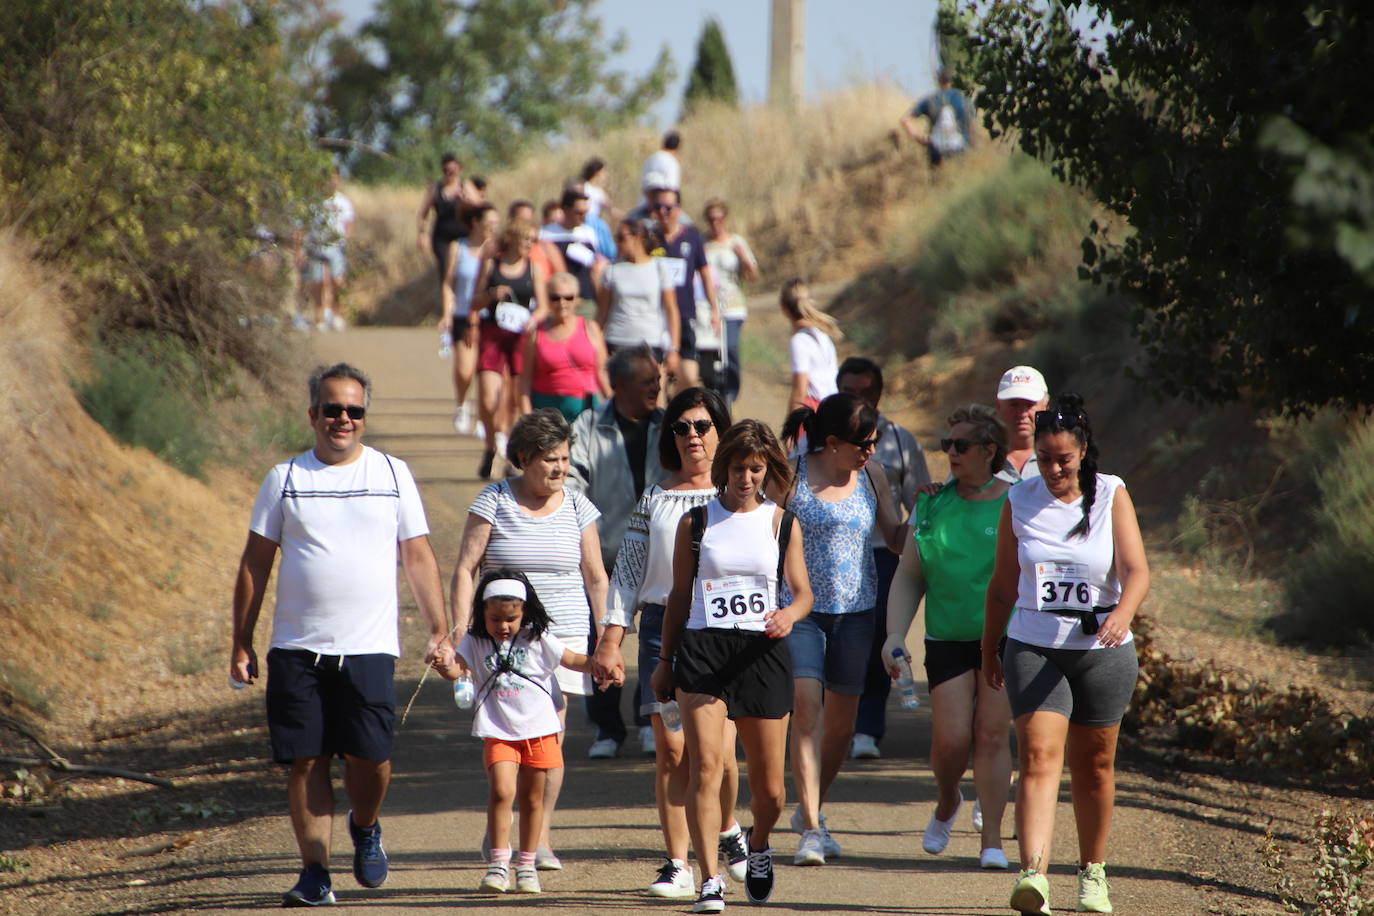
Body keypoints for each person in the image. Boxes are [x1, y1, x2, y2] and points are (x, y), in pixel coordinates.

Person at [229, 363, 453, 907]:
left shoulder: (393, 474)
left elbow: (418, 556)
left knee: (370, 759)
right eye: (333, 410)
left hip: (370, 646)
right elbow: (255, 563)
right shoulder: (284, 479)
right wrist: (242, 640)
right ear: (313, 415)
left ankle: (367, 824)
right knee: (306, 759)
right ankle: (315, 873)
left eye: (354, 410)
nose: (344, 419)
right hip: (297, 647)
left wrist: (440, 629)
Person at [982, 394, 1150, 915]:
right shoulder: (1020, 500)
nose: (1054, 469)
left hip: (1103, 650)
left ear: (1083, 453)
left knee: (1095, 764)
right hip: (1035, 646)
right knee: (1037, 757)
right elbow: (1003, 586)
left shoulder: (1111, 495)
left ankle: (1092, 873)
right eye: (1045, 457)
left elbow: (1137, 570)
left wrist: (1122, 613)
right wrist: (990, 648)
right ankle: (1032, 875)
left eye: (1064, 460)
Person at [651, 419, 814, 913]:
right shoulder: (696, 523)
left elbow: (803, 592)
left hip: (761, 654)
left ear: (767, 470)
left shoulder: (781, 521)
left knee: (768, 789)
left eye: (756, 469)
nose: (746, 478)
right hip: (704, 651)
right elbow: (680, 596)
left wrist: (789, 613)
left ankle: (759, 844)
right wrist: (664, 660)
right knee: (705, 767)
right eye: (739, 468)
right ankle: (709, 880)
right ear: (725, 469)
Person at [594, 388, 748, 898]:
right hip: (664, 625)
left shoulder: (742, 498)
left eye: (702, 426)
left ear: (721, 432)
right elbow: (628, 574)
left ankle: (727, 829)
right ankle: (679, 863)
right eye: (681, 428)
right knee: (672, 751)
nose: (692, 437)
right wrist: (611, 642)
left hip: (725, 628)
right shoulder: (655, 500)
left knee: (719, 756)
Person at [449, 409, 611, 871]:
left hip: (561, 635)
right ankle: (503, 827)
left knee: (549, 740)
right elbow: (465, 568)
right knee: (508, 735)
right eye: (548, 459)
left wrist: (606, 640)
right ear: (523, 458)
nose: (559, 469)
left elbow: (596, 577)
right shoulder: (493, 500)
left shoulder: (579, 505)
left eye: (563, 458)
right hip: (502, 638)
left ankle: (537, 837)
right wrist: (461, 630)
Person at [778, 393, 906, 866]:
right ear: (831, 442)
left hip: (857, 611)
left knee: (843, 726)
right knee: (807, 706)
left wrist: (933, 515)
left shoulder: (872, 476)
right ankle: (811, 827)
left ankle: (813, 804)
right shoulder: (789, 474)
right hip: (799, 611)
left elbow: (894, 538)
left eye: (873, 442)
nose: (870, 451)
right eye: (862, 443)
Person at [883, 404, 1013, 870]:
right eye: (946, 444)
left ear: (989, 450)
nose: (950, 453)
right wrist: (893, 634)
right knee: (952, 741)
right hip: (948, 640)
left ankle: (993, 839)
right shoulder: (932, 502)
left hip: (1003, 640)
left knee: (993, 735)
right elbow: (909, 576)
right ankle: (947, 800)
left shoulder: (1018, 503)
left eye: (960, 445)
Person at [439, 568, 605, 895]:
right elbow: (457, 668)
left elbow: (572, 659)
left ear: (524, 613)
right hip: (498, 730)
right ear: (482, 612)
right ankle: (498, 864)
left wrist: (601, 664)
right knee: (502, 792)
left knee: (532, 799)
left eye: (511, 619)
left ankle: (526, 865)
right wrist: (445, 665)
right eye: (495, 618)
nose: (503, 626)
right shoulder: (475, 640)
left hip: (540, 730)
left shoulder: (537, 639)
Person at [568, 344, 667, 758]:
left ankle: (649, 718)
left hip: (661, 552)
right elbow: (572, 484)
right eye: (648, 383)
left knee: (656, 636)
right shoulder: (589, 425)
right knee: (600, 637)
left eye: (659, 382)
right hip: (605, 554)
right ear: (620, 385)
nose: (657, 390)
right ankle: (607, 729)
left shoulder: (670, 426)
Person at [834, 358, 932, 760]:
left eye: (866, 392)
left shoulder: (899, 440)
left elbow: (918, 505)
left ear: (878, 394)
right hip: (828, 553)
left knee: (878, 637)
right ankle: (831, 723)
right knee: (832, 637)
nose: (858, 398)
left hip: (881, 554)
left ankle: (866, 730)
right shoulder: (814, 439)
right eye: (849, 391)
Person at [471, 219, 549, 479]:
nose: (530, 245)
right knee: (488, 398)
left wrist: (534, 320)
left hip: (520, 337)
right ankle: (490, 445)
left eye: (532, 240)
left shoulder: (533, 269)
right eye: (526, 239)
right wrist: (492, 294)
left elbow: (544, 307)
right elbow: (474, 301)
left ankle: (511, 454)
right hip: (493, 334)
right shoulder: (493, 265)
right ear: (514, 238)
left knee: (517, 398)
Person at [651, 187, 721, 389]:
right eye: (658, 207)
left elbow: (705, 274)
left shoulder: (692, 237)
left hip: (684, 314)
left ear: (678, 209)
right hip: (656, 317)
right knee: (658, 378)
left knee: (690, 377)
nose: (663, 212)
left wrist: (714, 310)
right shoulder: (649, 238)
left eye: (668, 208)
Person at [520, 271, 611, 422]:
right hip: (546, 411)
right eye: (555, 297)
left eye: (568, 297)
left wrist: (613, 402)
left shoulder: (590, 328)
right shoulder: (536, 333)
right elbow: (525, 380)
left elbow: (602, 371)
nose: (562, 303)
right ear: (547, 300)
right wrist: (527, 416)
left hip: (585, 410)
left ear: (576, 299)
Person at [441, 203, 498, 436]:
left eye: (496, 223)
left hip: (491, 319)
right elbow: (448, 283)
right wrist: (447, 313)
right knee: (465, 370)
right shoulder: (458, 247)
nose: (494, 227)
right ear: (476, 222)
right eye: (490, 222)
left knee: (488, 374)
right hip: (463, 316)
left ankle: (485, 420)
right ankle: (462, 404)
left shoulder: (496, 250)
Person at [597, 220, 681, 379]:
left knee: (653, 393)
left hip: (650, 341)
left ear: (638, 237)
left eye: (622, 238)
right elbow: (602, 312)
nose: (618, 243)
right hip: (618, 340)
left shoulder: (659, 267)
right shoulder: (612, 269)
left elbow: (671, 310)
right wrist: (595, 342)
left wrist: (673, 349)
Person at [702, 199, 758, 404]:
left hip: (732, 305)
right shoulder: (702, 243)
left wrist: (742, 257)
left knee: (730, 348)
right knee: (709, 352)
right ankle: (713, 392)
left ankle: (731, 393)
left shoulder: (736, 242)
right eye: (711, 219)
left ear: (725, 218)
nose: (716, 223)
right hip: (707, 306)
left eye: (719, 218)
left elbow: (752, 275)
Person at [298, 168, 355, 332]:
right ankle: (319, 315)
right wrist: (301, 247)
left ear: (339, 180)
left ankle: (336, 313)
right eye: (329, 178)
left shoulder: (344, 202)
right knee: (317, 281)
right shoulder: (313, 202)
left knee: (338, 281)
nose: (331, 182)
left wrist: (348, 245)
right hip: (316, 246)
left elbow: (349, 225)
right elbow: (304, 224)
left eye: (334, 178)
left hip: (337, 246)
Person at [416, 153, 477, 289]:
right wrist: (422, 234)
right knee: (446, 271)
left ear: (459, 168)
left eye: (453, 169)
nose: (449, 173)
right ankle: (448, 302)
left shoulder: (465, 186)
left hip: (464, 236)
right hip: (442, 238)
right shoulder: (435, 189)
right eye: (446, 170)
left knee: (465, 268)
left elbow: (479, 206)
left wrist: (466, 199)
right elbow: (423, 214)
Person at [781, 279, 841, 414]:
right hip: (834, 406)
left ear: (783, 306)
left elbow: (799, 392)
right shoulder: (822, 334)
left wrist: (790, 431)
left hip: (816, 411)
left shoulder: (799, 341)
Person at [540, 186, 605, 304]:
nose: (583, 217)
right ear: (565, 210)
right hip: (558, 301)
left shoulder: (588, 233)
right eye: (578, 213)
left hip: (585, 299)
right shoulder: (545, 234)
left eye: (585, 213)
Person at [899, 69, 972, 168]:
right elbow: (971, 124)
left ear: (938, 81)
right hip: (961, 150)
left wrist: (920, 139)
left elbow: (905, 120)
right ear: (952, 80)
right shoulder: (962, 98)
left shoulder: (930, 100)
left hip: (937, 154)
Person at [995, 365, 1050, 484]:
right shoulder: (979, 461)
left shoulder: (1062, 461)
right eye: (1014, 404)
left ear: (1045, 407)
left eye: (1029, 405)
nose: (1022, 413)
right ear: (998, 406)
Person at [641, 130, 683, 198]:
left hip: (644, 205)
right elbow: (672, 189)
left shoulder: (651, 159)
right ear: (677, 148)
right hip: (662, 206)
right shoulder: (672, 162)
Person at [581, 156, 616, 221]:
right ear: (597, 173)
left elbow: (611, 210)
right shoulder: (583, 187)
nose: (606, 175)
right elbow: (612, 212)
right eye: (604, 172)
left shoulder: (600, 192)